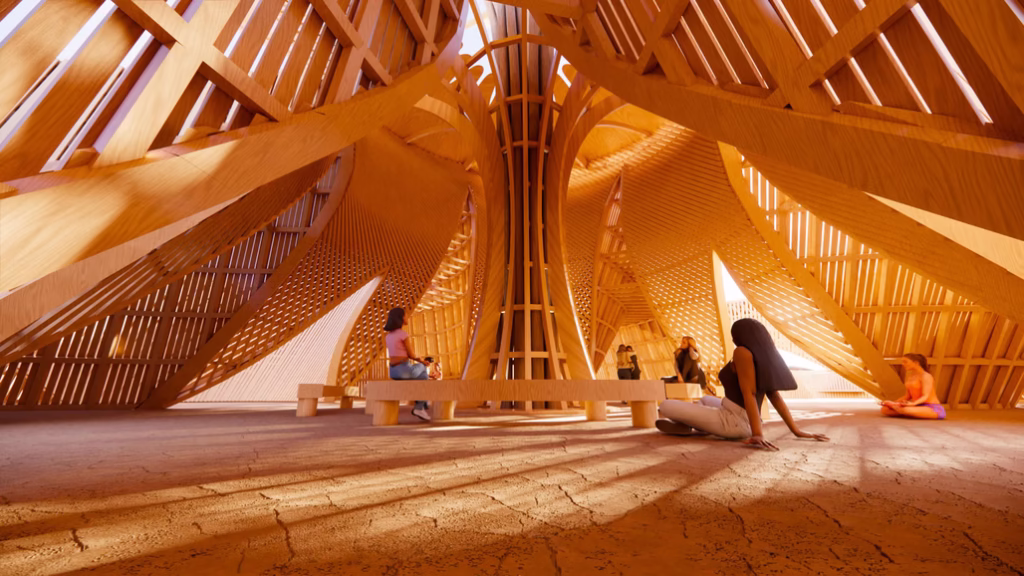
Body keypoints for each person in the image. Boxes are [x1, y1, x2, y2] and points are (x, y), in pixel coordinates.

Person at [656, 318, 829, 450]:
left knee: (665, 405)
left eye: (734, 335)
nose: (733, 339)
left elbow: (749, 394)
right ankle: (692, 426)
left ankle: (692, 425)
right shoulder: (763, 355)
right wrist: (796, 431)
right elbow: (774, 396)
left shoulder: (742, 352)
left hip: (733, 421)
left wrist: (757, 434)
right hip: (732, 409)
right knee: (705, 400)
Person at [384, 307, 431, 421]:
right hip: (404, 370)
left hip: (393, 371)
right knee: (424, 369)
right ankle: (421, 405)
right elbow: (411, 355)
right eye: (405, 315)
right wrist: (423, 362)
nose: (407, 317)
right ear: (400, 318)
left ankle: (423, 404)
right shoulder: (403, 334)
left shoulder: (388, 336)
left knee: (423, 377)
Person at [880, 353, 945, 420]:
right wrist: (894, 403)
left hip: (931, 408)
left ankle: (906, 411)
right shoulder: (910, 377)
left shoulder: (926, 376)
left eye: (905, 362)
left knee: (906, 410)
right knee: (884, 410)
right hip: (916, 406)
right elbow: (907, 396)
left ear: (916, 363)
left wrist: (912, 404)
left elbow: (926, 396)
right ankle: (909, 412)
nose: (903, 364)